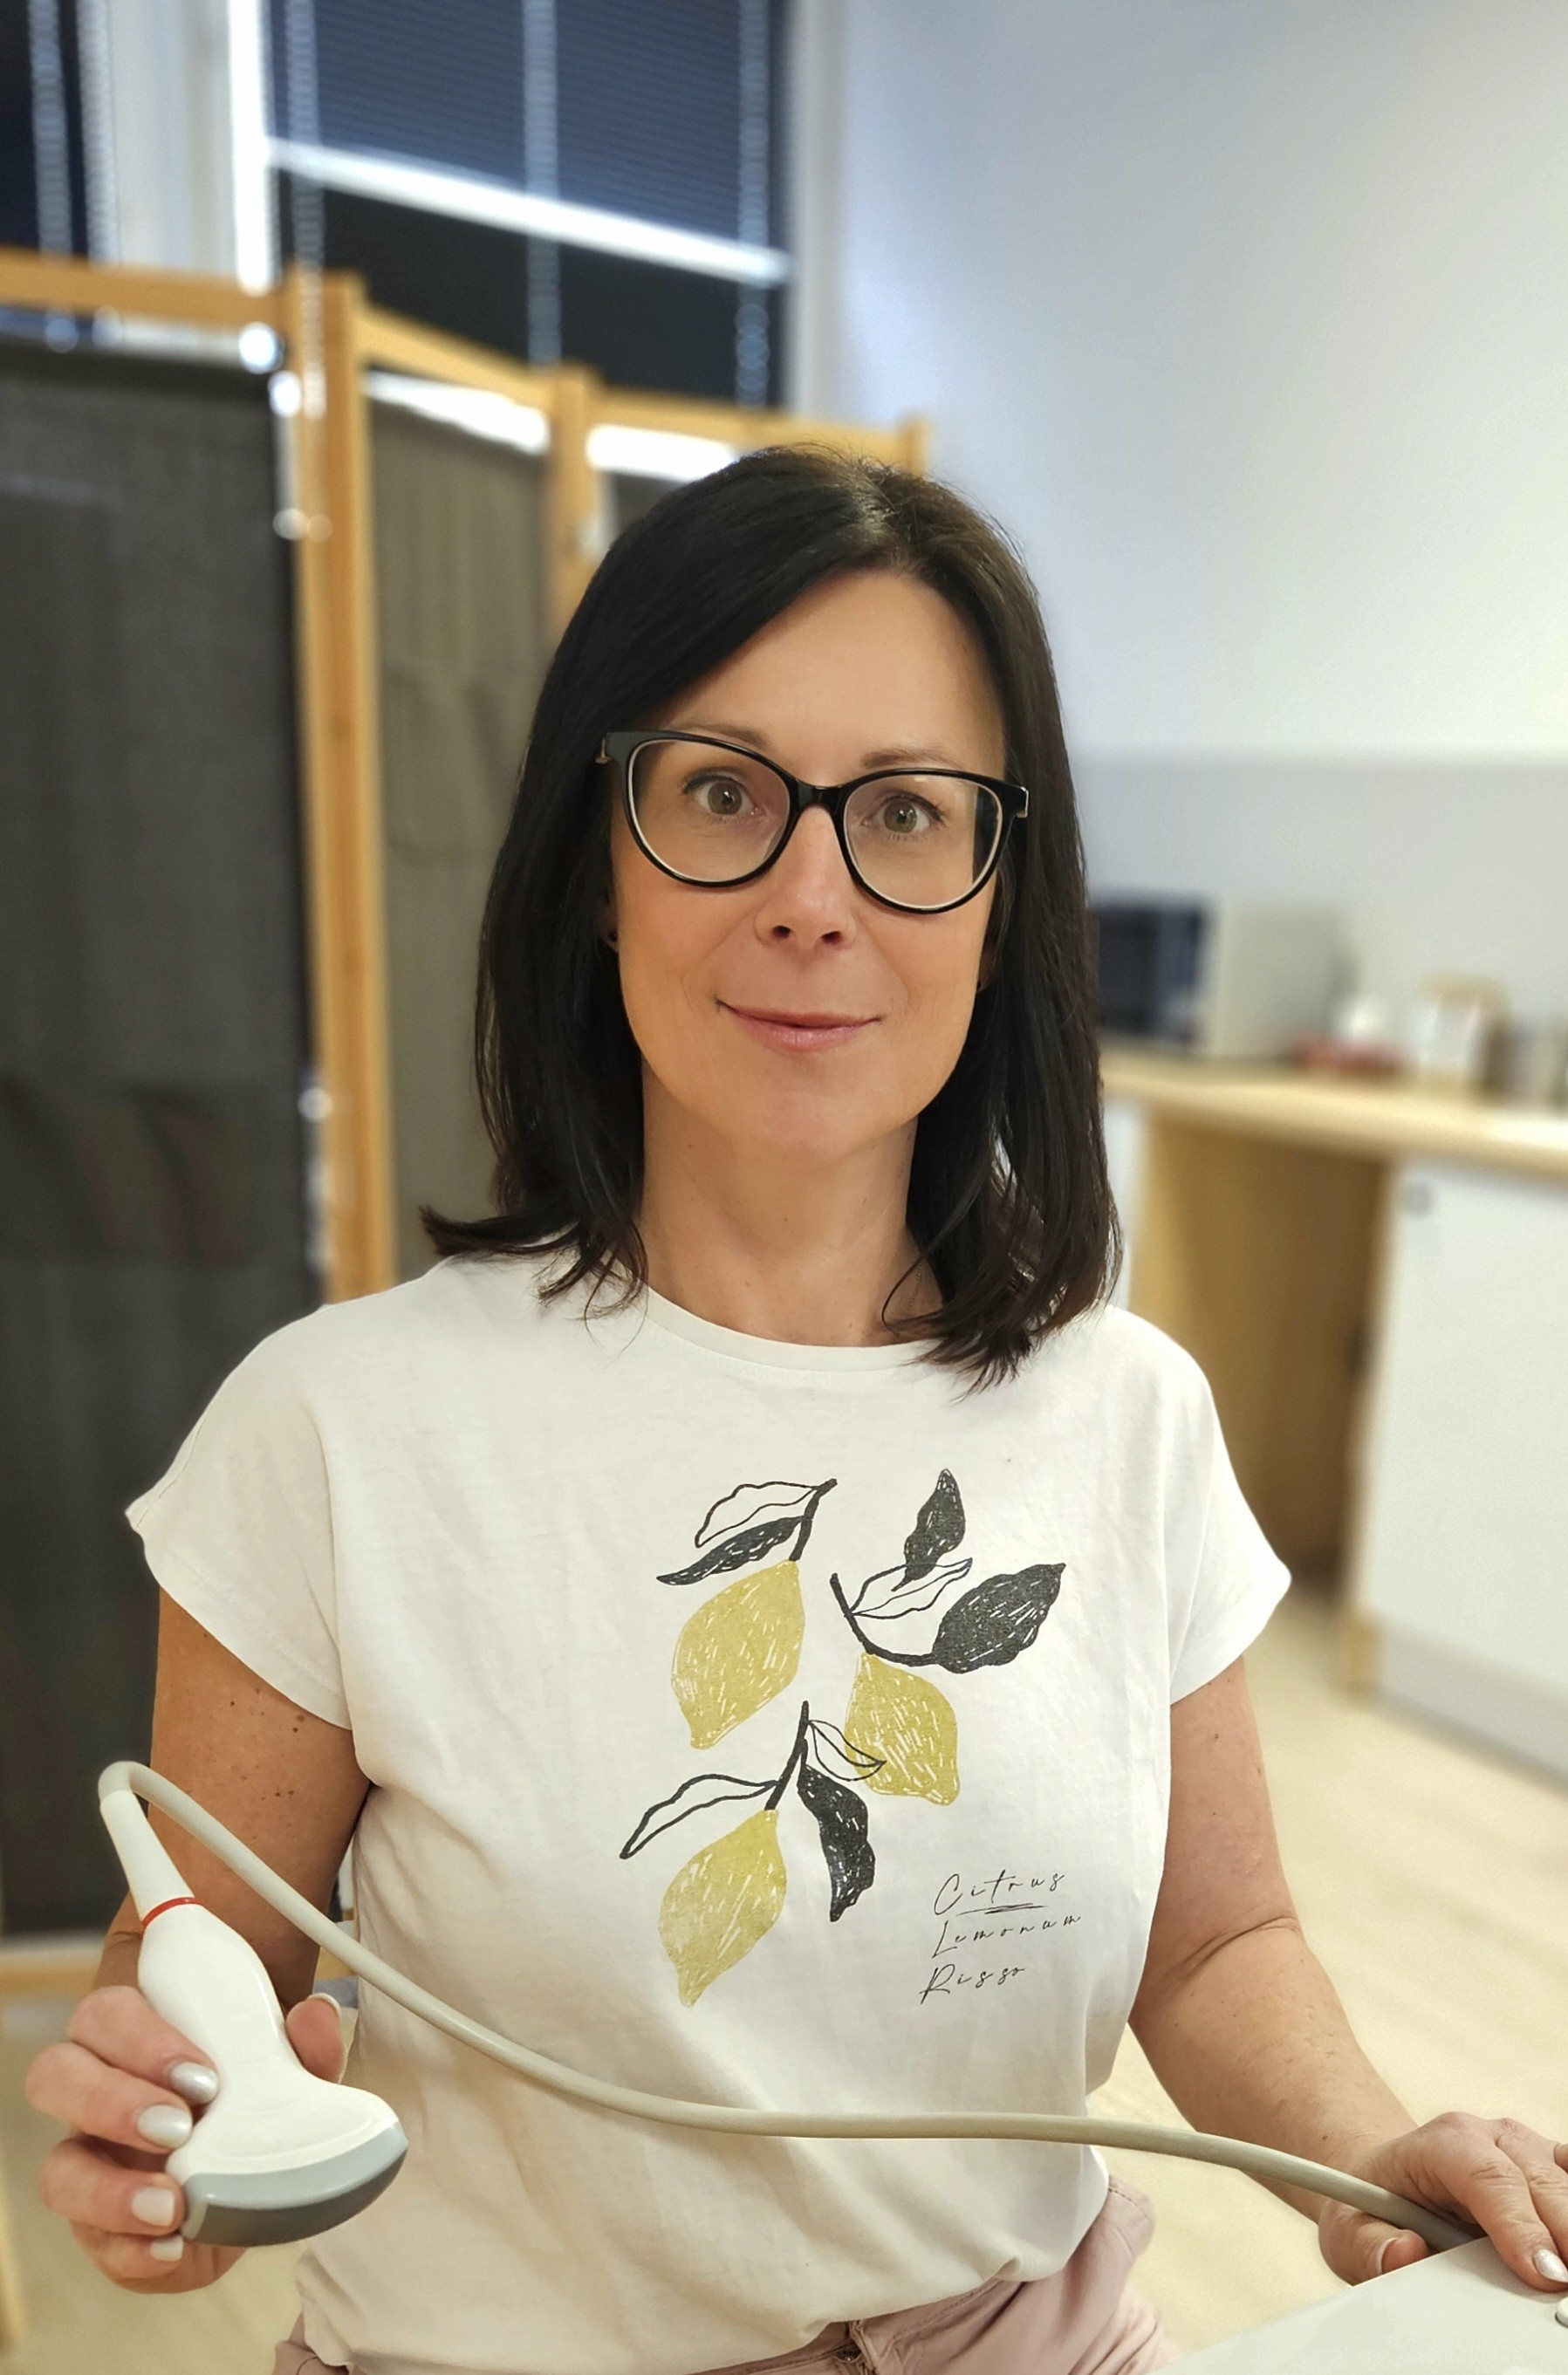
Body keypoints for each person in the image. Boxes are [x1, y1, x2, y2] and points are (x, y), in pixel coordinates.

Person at [25, 448, 1568, 2375]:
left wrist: (1357, 2151)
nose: (811, 896)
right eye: (725, 795)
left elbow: (1211, 1944)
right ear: (598, 856)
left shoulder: (1128, 1412)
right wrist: (159, 2146)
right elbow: (200, 1995)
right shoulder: (335, 1433)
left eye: (907, 812)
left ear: (998, 899)